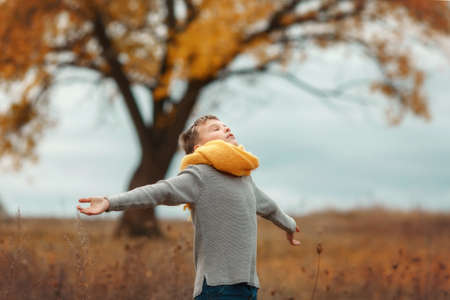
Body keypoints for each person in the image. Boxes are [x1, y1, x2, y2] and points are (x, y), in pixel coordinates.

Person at [77, 115, 301, 300]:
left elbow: (269, 207)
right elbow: (159, 191)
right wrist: (109, 202)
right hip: (217, 288)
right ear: (199, 147)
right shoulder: (200, 175)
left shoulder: (243, 178)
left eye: (225, 126)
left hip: (249, 286)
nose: (225, 128)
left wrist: (289, 225)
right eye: (215, 129)